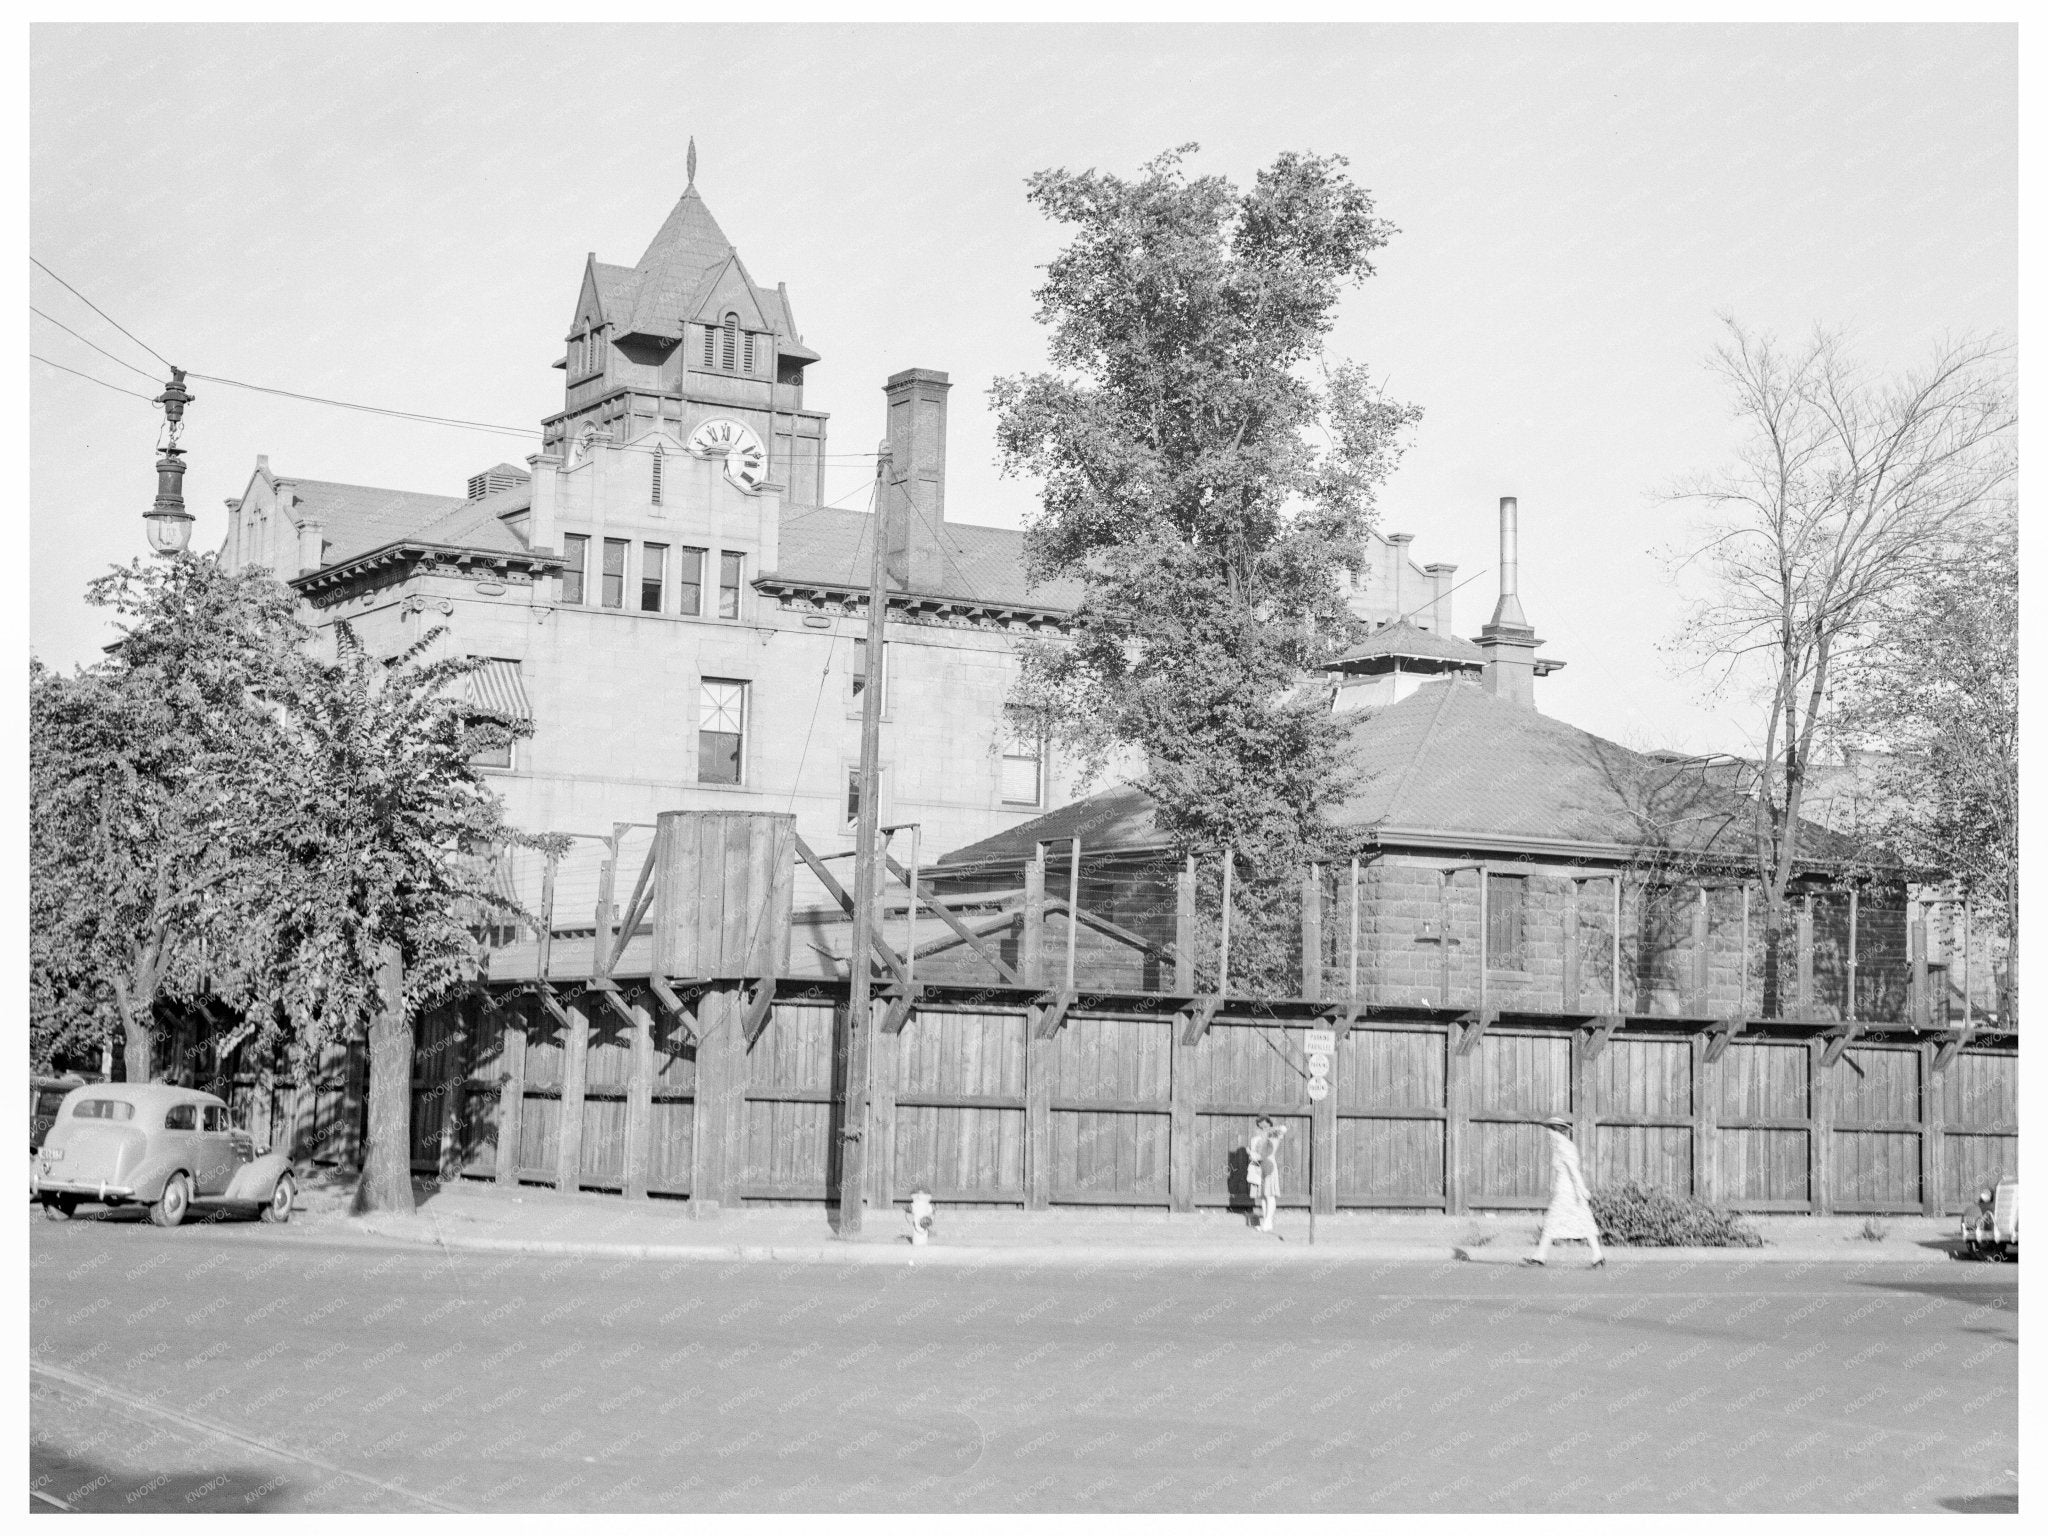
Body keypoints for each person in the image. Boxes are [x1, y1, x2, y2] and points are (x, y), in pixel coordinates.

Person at [1524, 1116, 1604, 1268]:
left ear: (1555, 1131)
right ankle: (1597, 1255)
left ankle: (1540, 1255)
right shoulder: (1562, 1145)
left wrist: (1581, 1188)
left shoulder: (1564, 1147)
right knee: (1581, 1219)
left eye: (1549, 1129)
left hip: (1567, 1190)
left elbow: (1573, 1169)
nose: (1547, 1133)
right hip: (1566, 1188)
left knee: (1554, 1220)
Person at [1246, 1117, 1289, 1234]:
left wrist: (1270, 1130)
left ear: (1269, 1125)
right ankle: (1265, 1221)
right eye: (1260, 1126)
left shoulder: (1274, 1136)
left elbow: (1283, 1129)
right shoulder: (1257, 1139)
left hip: (1269, 1166)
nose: (1263, 1128)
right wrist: (1251, 1153)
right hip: (1259, 1168)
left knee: (1270, 1195)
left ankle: (1268, 1221)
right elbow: (1254, 1154)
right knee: (1263, 1196)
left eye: (1265, 1125)